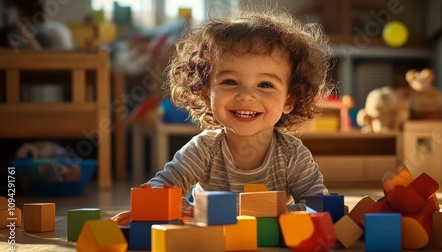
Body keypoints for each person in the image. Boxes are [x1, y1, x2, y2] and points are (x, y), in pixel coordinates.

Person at [112, 7, 335, 226]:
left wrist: (275, 213)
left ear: (289, 100)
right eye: (230, 82)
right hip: (211, 244)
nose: (247, 95)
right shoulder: (204, 148)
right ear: (205, 92)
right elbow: (162, 184)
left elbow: (318, 206)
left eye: (265, 84)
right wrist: (159, 206)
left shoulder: (292, 155)